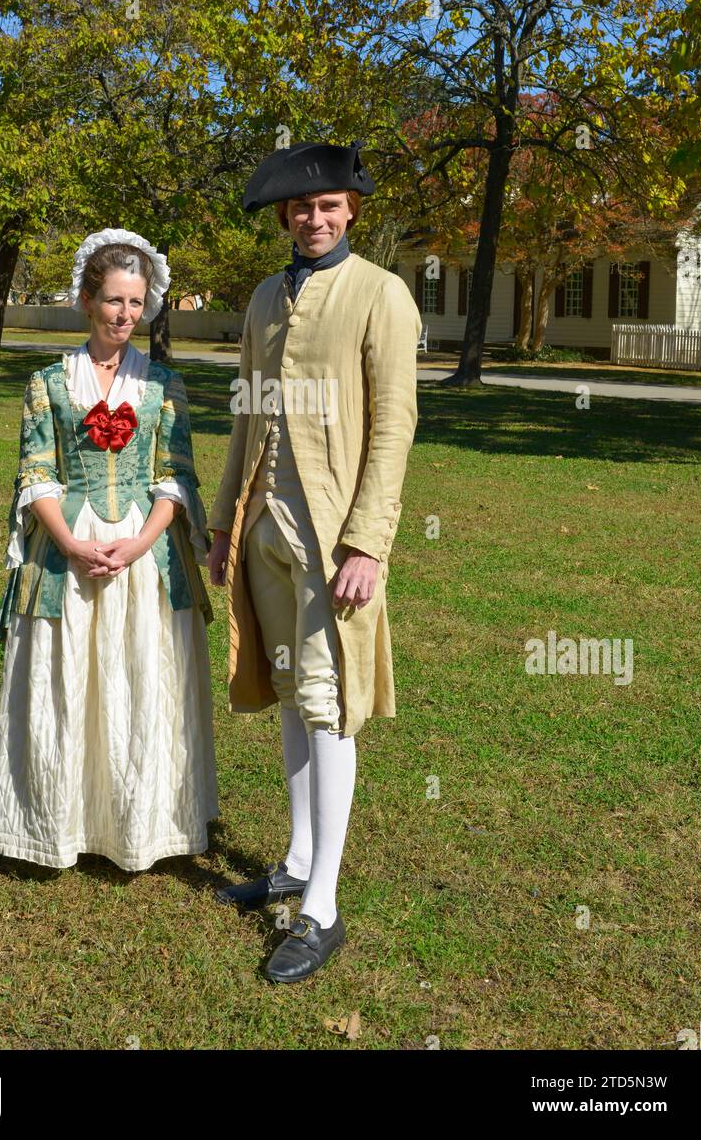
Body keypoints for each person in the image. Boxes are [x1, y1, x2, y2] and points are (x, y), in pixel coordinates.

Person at [207, 140, 422, 982]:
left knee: (329, 708)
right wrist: (225, 522)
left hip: (334, 538)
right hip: (263, 526)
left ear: (350, 210)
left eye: (327, 205)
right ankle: (295, 862)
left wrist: (370, 539)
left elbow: (395, 424)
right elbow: (245, 416)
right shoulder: (265, 294)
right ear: (285, 217)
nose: (312, 217)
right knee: (293, 694)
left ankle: (321, 907)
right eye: (299, 208)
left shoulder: (381, 294)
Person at [0, 229, 218, 871]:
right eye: (113, 300)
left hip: (145, 555)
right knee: (70, 682)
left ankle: (140, 822)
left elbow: (176, 476)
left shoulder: (165, 384)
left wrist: (139, 543)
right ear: (88, 300)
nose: (125, 315)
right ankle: (58, 823)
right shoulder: (47, 383)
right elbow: (36, 473)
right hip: (69, 550)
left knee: (140, 676)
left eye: (136, 303)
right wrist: (70, 542)